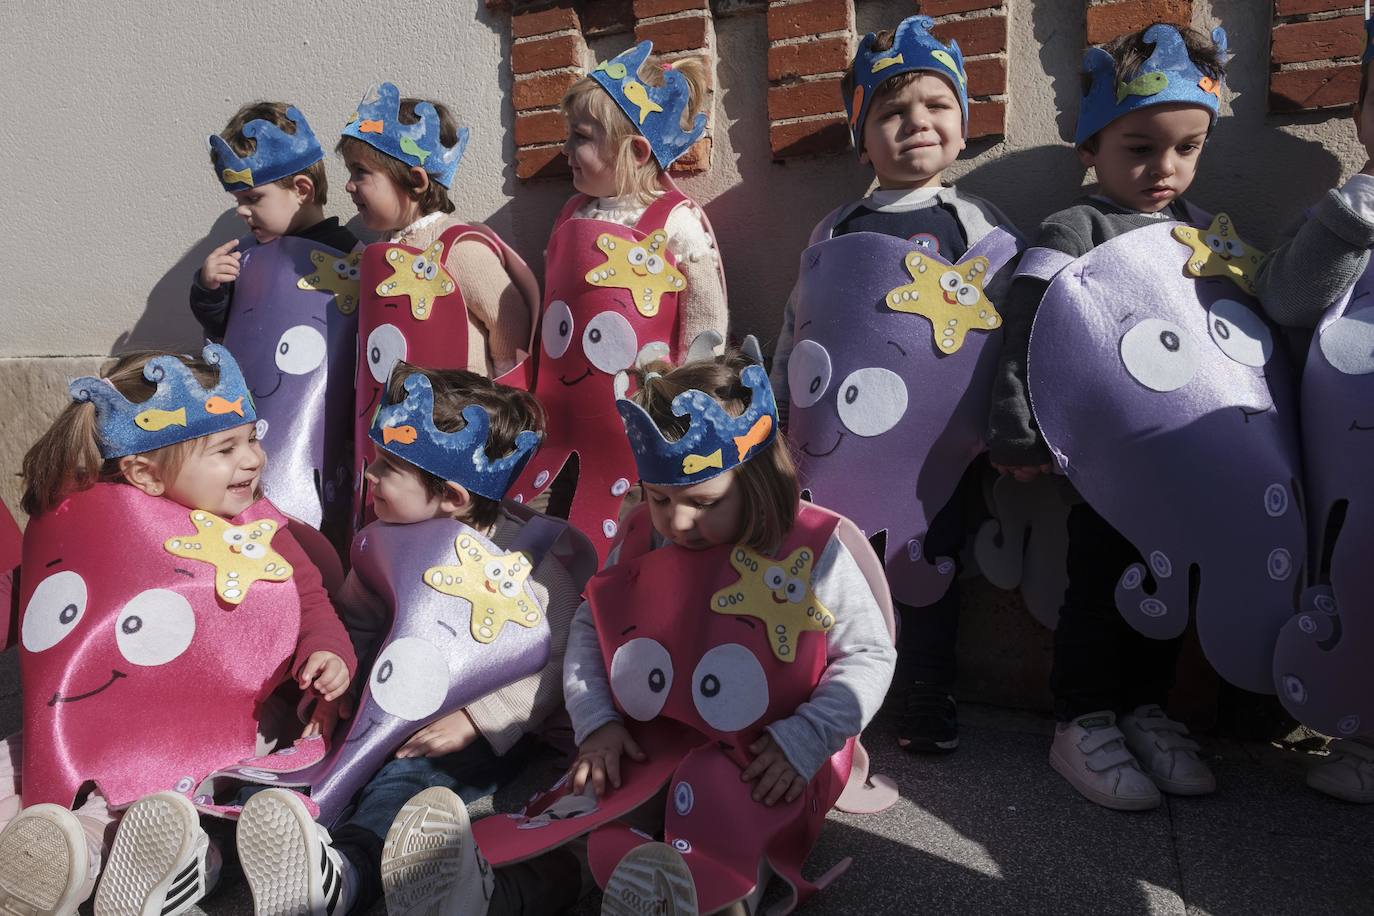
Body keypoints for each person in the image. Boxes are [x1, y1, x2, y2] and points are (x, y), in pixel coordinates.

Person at [380, 351, 896, 916]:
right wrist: (596, 724)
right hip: (647, 737)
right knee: (589, 817)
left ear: (759, 481)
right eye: (659, 499)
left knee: (730, 824)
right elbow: (590, 630)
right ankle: (493, 897)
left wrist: (807, 738)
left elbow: (868, 653)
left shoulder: (814, 550)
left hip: (767, 753)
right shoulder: (644, 539)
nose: (677, 522)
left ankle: (705, 903)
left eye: (703, 503)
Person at [0, 345, 354, 916]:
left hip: (216, 724)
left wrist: (328, 651)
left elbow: (308, 601)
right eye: (225, 449)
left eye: (252, 438)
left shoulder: (259, 529)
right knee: (10, 767)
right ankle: (29, 863)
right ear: (145, 473)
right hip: (92, 713)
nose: (253, 460)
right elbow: (27, 591)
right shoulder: (94, 522)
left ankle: (84, 868)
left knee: (129, 808)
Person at [230, 363, 587, 916]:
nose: (369, 477)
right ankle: (262, 832)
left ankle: (343, 875)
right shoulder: (383, 543)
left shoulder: (529, 569)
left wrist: (479, 720)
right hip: (385, 704)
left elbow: (556, 656)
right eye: (374, 461)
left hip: (465, 733)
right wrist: (339, 674)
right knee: (307, 761)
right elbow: (360, 617)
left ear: (451, 496)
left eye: (388, 468)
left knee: (403, 787)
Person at [987, 23, 1234, 811]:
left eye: (1188, 147)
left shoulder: (1201, 230)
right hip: (1102, 461)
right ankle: (1081, 722)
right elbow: (1026, 334)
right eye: (1140, 147)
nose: (1166, 169)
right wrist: (1018, 430)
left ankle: (1145, 711)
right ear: (1090, 146)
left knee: (1169, 588)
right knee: (1099, 585)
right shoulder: (1074, 230)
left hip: (1184, 459)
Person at [770, 13, 1022, 754]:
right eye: (892, 111)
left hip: (934, 452)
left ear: (964, 122)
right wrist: (784, 406)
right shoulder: (836, 228)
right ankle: (836, 693)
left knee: (932, 565)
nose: (917, 123)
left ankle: (926, 690)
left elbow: (1007, 325)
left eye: (937, 106)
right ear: (862, 136)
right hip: (832, 447)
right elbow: (801, 320)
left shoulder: (974, 223)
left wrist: (1007, 420)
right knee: (833, 569)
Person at [507, 39, 727, 562]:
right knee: (546, 538)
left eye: (579, 138)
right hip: (559, 427)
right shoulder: (571, 213)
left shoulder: (675, 221)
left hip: (637, 435)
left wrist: (686, 411)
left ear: (636, 152)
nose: (565, 151)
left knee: (622, 546)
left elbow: (705, 330)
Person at [1251, 15, 1374, 806]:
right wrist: (1348, 222)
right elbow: (1287, 298)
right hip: (1349, 469)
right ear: (1360, 114)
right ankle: (1365, 740)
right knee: (1359, 588)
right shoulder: (1345, 210)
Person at [340, 83, 539, 528]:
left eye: (361, 172)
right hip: (393, 442)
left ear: (416, 180)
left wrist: (499, 417)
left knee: (452, 533)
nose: (349, 185)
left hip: (453, 438)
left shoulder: (457, 247)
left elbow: (509, 323)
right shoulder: (380, 253)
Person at [194, 103, 362, 538]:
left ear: (302, 188)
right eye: (238, 201)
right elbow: (226, 331)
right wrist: (209, 287)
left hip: (321, 432)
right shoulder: (246, 258)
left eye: (252, 198)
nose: (242, 212)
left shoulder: (351, 256)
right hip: (250, 423)